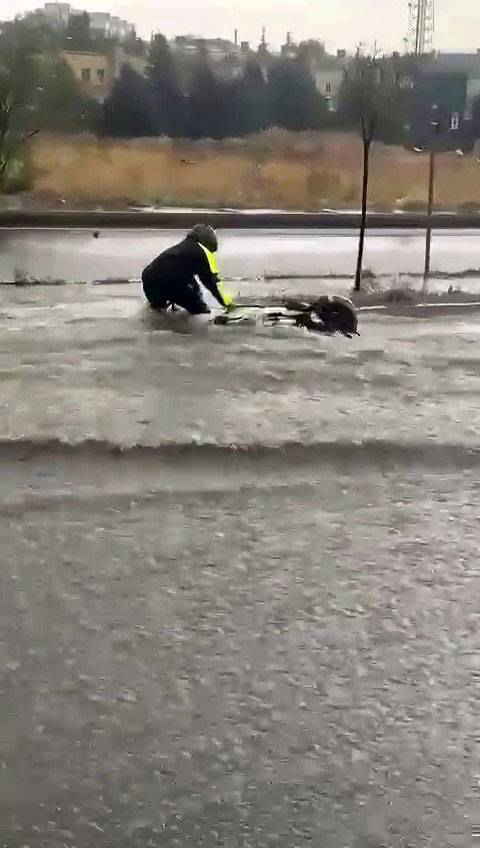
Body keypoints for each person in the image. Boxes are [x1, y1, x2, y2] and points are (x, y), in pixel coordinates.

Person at [141, 223, 232, 315]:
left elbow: (187, 276)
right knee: (199, 309)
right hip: (167, 283)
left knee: (160, 307)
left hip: (149, 278)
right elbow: (209, 282)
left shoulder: (185, 246)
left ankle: (157, 313)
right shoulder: (200, 254)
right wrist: (225, 303)